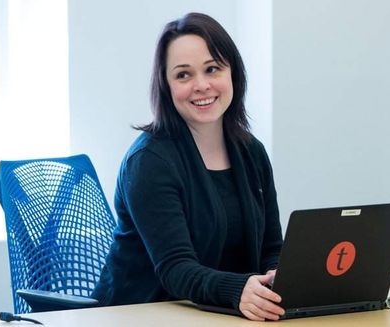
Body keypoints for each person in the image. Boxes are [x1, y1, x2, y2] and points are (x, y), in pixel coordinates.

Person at [90, 13, 285, 321]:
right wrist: (238, 289)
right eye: (183, 75)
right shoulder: (149, 162)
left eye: (212, 69)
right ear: (166, 86)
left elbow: (271, 246)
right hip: (139, 315)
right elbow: (176, 269)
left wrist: (278, 278)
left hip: (216, 314)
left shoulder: (252, 153)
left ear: (232, 74)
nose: (201, 85)